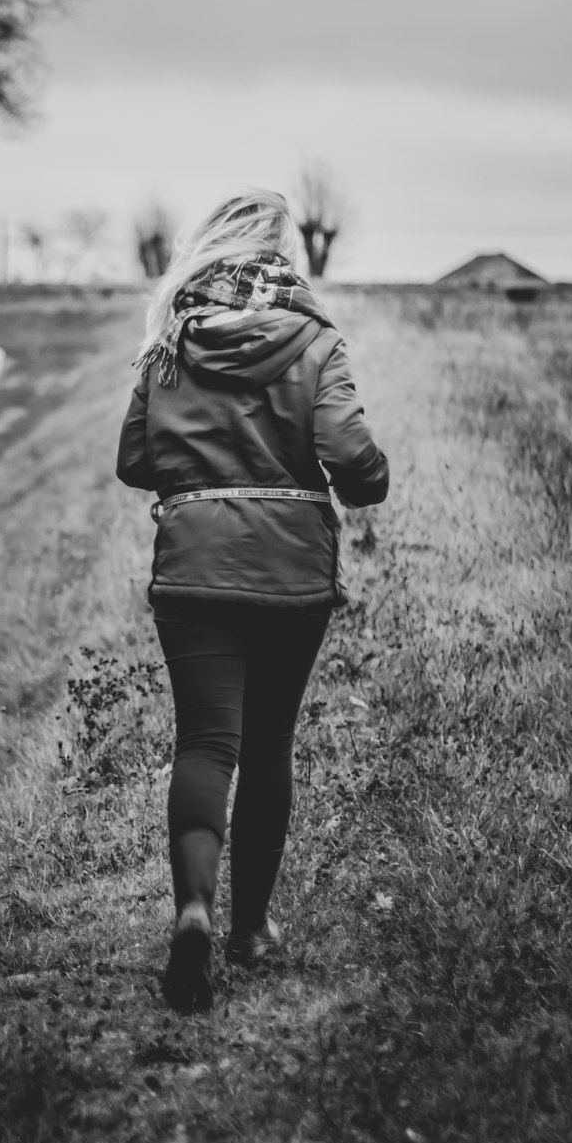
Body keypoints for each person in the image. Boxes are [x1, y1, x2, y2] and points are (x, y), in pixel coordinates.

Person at [116, 189, 389, 1014]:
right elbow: (352, 460)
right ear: (285, 255)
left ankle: (193, 911)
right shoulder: (315, 340)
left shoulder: (169, 344)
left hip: (192, 566)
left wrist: (198, 463)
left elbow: (134, 459)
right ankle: (251, 929)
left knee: (206, 740)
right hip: (291, 571)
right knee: (268, 741)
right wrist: (361, 474)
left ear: (206, 250)